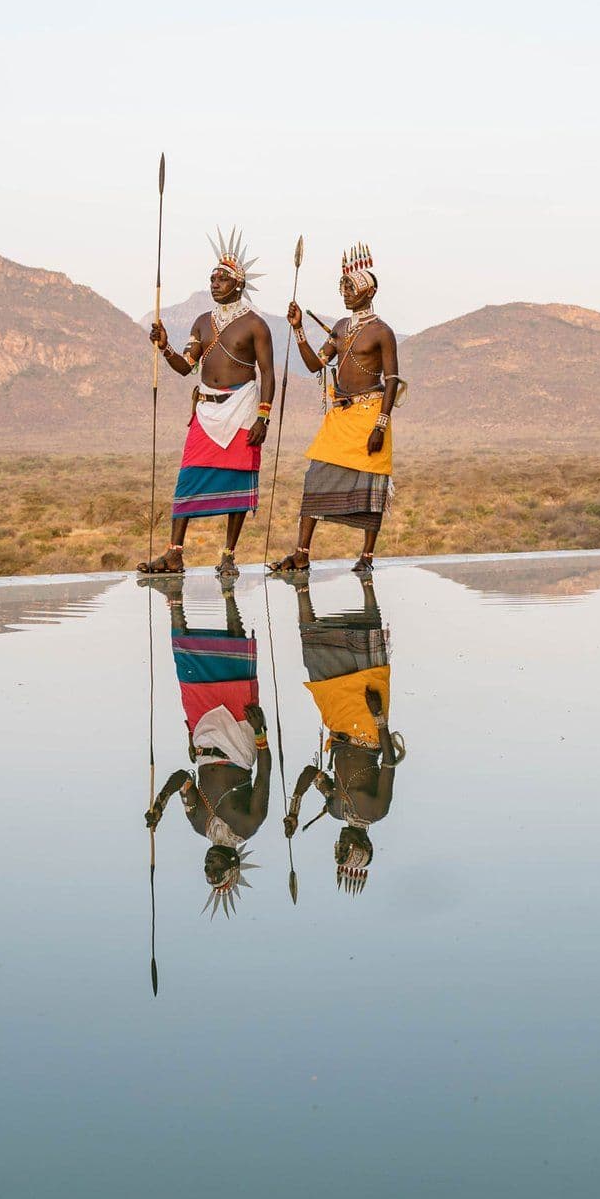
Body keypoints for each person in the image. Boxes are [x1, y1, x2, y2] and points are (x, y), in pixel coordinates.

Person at [140, 229, 276, 577]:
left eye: (222, 279)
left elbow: (268, 374)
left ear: (239, 284)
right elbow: (186, 367)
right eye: (212, 278)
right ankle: (174, 554)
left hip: (243, 409)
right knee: (187, 478)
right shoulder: (202, 323)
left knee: (238, 482)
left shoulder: (256, 325)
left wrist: (264, 418)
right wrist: (165, 346)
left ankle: (228, 555)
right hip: (206, 410)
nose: (215, 284)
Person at [142, 578, 272, 914]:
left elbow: (183, 779)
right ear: (232, 864)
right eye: (216, 871)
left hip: (202, 737)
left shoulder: (199, 824)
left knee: (187, 666)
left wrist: (160, 803)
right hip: (239, 741)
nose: (208, 867)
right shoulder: (248, 825)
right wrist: (261, 732)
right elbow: (265, 774)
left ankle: (174, 600)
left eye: (206, 872)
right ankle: (229, 595)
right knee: (235, 665)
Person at [273, 242, 400, 578]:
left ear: (368, 292)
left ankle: (367, 555)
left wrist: (381, 426)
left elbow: (393, 380)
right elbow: (316, 363)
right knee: (315, 479)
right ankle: (301, 553)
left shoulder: (382, 332)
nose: (345, 293)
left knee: (371, 488)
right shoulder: (341, 328)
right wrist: (299, 328)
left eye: (351, 288)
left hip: (371, 415)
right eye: (342, 287)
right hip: (340, 418)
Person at [284, 578, 400, 893]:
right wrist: (379, 718)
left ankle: (301, 589)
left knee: (316, 660)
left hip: (338, 726)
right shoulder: (376, 812)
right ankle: (367, 584)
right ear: (359, 848)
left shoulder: (336, 811)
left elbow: (312, 774)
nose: (338, 846)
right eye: (343, 852)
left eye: (337, 851)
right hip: (367, 728)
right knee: (365, 665)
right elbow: (389, 763)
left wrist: (293, 811)